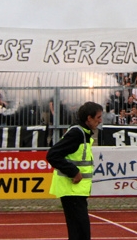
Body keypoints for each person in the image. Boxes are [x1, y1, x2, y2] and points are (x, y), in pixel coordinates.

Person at [47, 102, 103, 240]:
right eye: (98, 117)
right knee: (80, 232)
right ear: (89, 118)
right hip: (71, 190)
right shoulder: (77, 133)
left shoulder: (82, 133)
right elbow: (53, 155)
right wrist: (73, 171)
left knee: (79, 232)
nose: (100, 121)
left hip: (76, 191)